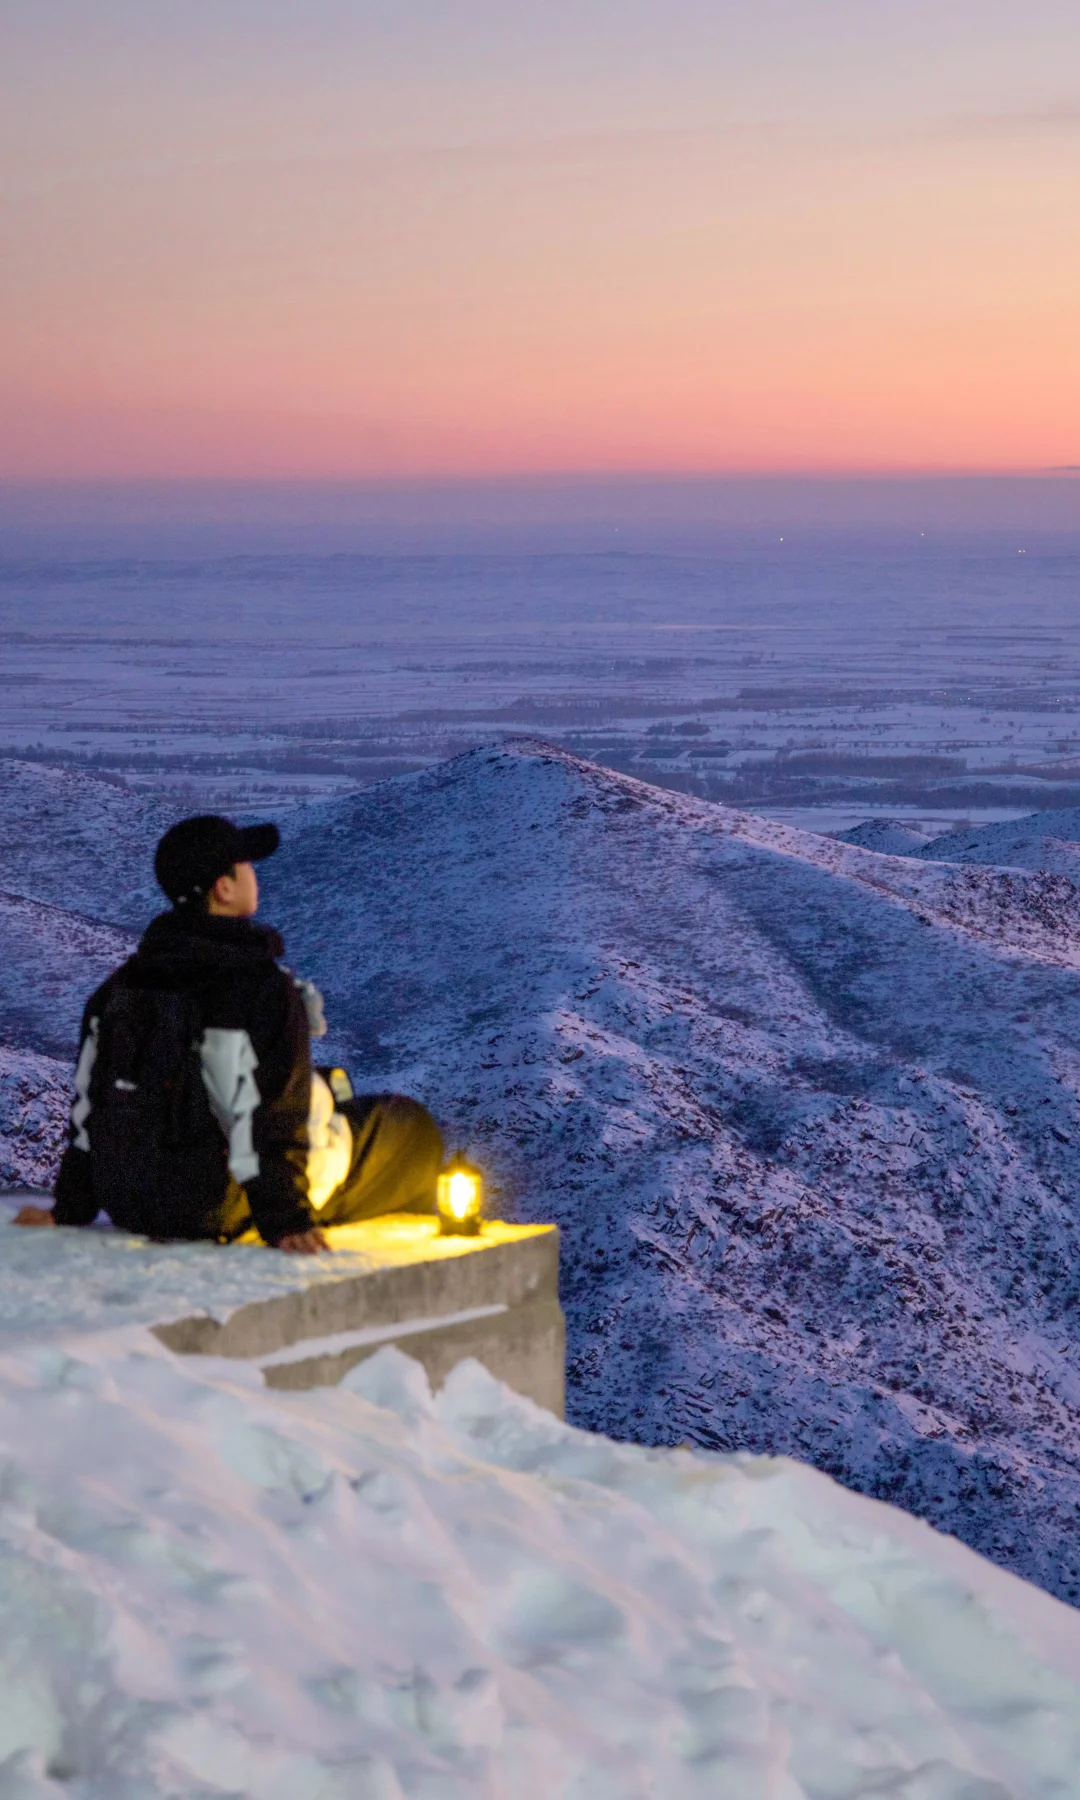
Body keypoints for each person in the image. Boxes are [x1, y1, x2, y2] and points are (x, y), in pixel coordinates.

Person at [14, 815, 443, 1254]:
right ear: (224, 888)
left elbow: (90, 1104)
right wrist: (285, 1221)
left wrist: (68, 1207)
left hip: (130, 1199)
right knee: (406, 1127)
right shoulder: (260, 987)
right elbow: (270, 1113)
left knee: (337, 1103)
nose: (255, 875)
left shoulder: (121, 987)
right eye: (246, 866)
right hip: (218, 1205)